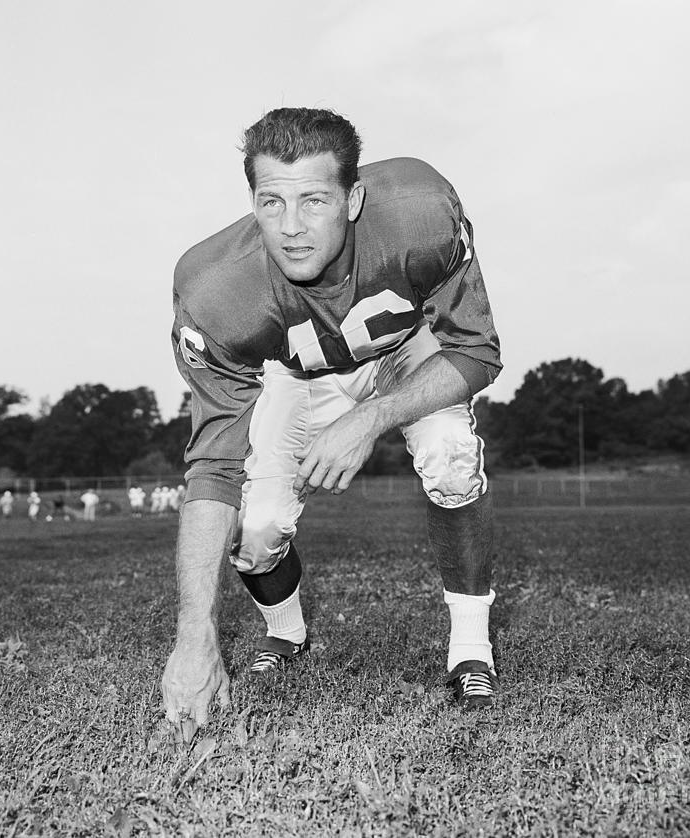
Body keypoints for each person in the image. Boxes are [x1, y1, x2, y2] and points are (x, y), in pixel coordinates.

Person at [161, 108, 502, 736]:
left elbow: (476, 351)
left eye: (314, 200)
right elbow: (213, 466)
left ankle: (471, 649)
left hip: (405, 351)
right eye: (272, 202)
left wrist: (370, 418)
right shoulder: (216, 293)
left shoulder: (419, 214)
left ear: (354, 199)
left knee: (452, 456)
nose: (291, 228)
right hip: (297, 375)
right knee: (255, 527)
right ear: (252, 200)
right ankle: (286, 631)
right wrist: (193, 636)